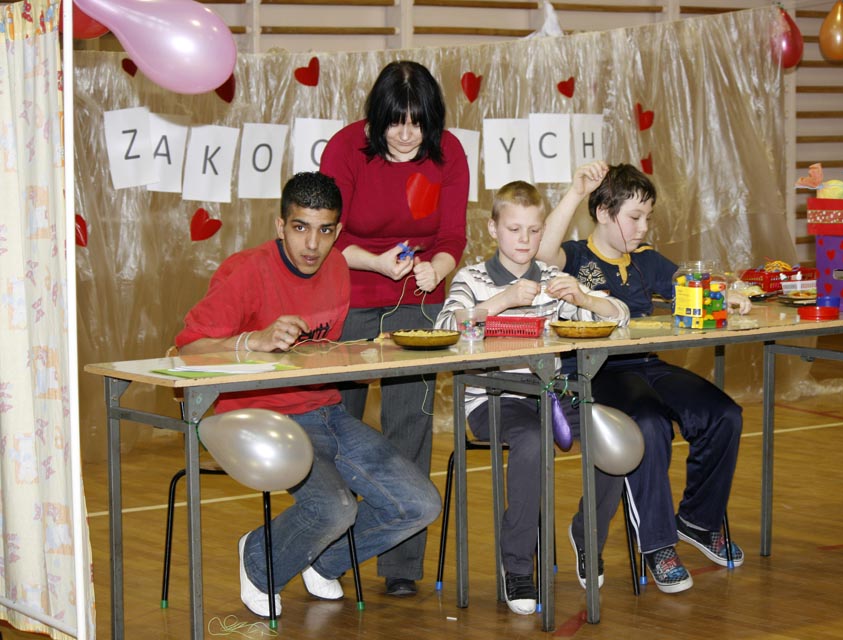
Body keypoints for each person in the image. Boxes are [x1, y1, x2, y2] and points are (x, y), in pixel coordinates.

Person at [174, 172, 441, 618]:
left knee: (420, 504)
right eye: (300, 228)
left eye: (325, 230)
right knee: (334, 508)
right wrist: (252, 341)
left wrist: (359, 357)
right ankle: (260, 556)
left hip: (324, 410)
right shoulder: (246, 270)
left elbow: (316, 350)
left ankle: (321, 560)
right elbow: (188, 348)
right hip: (259, 416)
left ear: (338, 231)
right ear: (280, 226)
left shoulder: (337, 267)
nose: (313, 244)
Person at [537, 162, 751, 594]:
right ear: (603, 212)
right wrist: (576, 191)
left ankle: (698, 520)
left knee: (724, 415)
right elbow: (541, 255)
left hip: (647, 365)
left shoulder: (647, 260)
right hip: (596, 371)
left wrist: (727, 293)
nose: (642, 227)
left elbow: (689, 285)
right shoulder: (575, 256)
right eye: (634, 217)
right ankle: (657, 544)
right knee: (649, 425)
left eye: (647, 217)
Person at [435, 180, 629, 614]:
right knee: (531, 440)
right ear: (493, 229)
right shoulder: (472, 279)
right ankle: (519, 566)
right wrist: (500, 302)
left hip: (550, 395)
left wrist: (584, 298)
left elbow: (620, 318)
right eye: (514, 229)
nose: (524, 240)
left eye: (534, 230)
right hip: (492, 398)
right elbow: (445, 328)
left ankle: (587, 535)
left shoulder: (553, 280)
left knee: (613, 438)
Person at [319, 59, 468, 596]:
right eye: (395, 122)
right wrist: (376, 263)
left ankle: (401, 564)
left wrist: (438, 269)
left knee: (410, 426)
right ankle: (325, 551)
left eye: (417, 123)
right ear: (376, 118)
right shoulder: (344, 149)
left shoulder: (449, 153)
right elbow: (328, 234)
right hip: (351, 296)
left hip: (417, 303)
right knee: (336, 424)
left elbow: (452, 236)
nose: (406, 134)